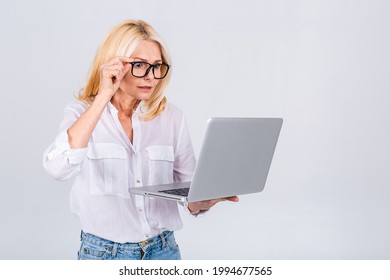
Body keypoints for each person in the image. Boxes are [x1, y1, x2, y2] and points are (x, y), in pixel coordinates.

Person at [43, 19, 238, 260]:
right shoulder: (82, 113)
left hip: (163, 251)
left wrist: (206, 200)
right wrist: (104, 95)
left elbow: (189, 195)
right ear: (113, 65)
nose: (150, 76)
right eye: (139, 65)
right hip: (104, 255)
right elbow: (57, 169)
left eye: (156, 66)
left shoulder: (172, 117)